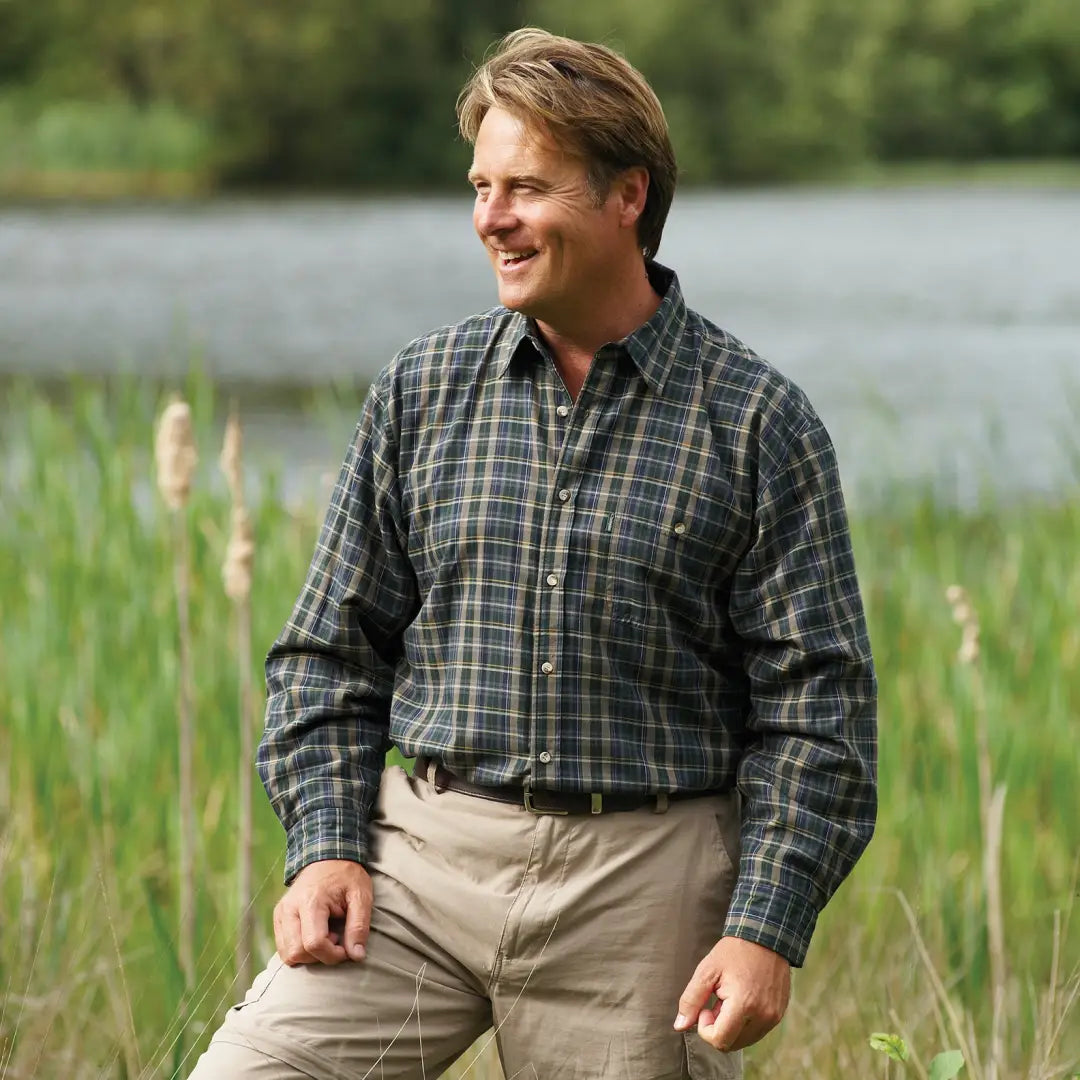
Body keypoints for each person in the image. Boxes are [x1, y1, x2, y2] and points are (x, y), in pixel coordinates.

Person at [190, 26, 877, 1080]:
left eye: (526, 188)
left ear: (627, 197)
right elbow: (328, 656)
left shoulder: (758, 424)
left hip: (643, 892)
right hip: (416, 866)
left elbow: (819, 715)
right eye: (481, 186)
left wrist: (765, 926)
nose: (490, 219)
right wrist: (326, 841)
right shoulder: (421, 392)